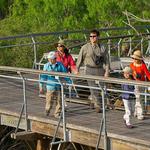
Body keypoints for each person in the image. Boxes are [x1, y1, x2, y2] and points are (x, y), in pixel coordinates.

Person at [76, 29, 110, 113]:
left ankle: (93, 101)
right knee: (93, 88)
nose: (92, 38)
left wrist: (107, 71)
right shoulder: (85, 47)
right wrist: (76, 70)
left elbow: (106, 60)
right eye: (90, 36)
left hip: (100, 69)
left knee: (101, 88)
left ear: (98, 37)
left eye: (94, 36)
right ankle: (98, 106)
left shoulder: (102, 47)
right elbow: (79, 59)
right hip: (90, 69)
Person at [39, 51, 71, 118]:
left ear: (55, 59)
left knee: (59, 100)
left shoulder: (60, 65)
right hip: (50, 86)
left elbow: (65, 74)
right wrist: (41, 86)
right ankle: (47, 110)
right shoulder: (46, 66)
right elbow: (43, 76)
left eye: (51, 59)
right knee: (49, 100)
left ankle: (57, 113)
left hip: (58, 85)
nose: (50, 60)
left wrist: (69, 82)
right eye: (49, 59)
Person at [130, 49, 150, 120]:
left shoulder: (143, 66)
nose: (134, 59)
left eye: (135, 58)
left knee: (139, 99)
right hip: (134, 84)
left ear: (139, 59)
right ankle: (138, 113)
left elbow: (148, 75)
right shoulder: (131, 65)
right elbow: (129, 73)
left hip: (141, 84)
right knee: (138, 98)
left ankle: (138, 113)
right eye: (133, 58)